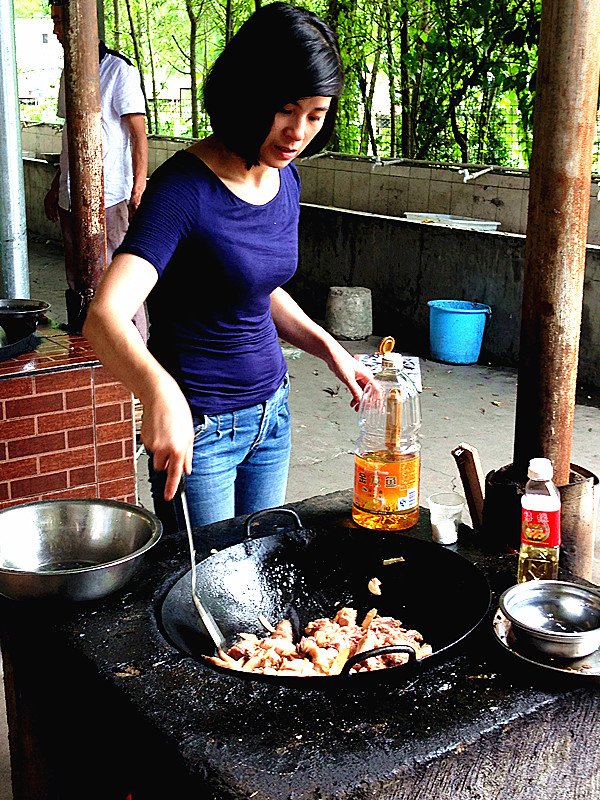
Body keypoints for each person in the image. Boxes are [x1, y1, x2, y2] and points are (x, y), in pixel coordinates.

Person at [83, 2, 373, 533]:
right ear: (248, 94)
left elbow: (256, 288)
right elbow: (104, 317)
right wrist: (158, 391)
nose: (298, 133)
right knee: (203, 596)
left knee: (260, 578)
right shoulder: (182, 190)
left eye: (316, 115)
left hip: (273, 413)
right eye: (286, 109)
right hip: (202, 430)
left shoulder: (284, 179)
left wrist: (329, 348)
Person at [44, 1, 148, 337]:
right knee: (78, 279)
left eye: (62, 22)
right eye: (55, 21)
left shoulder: (120, 70)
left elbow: (138, 133)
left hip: (110, 196)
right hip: (70, 197)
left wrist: (138, 188)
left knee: (117, 279)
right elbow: (70, 137)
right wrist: (57, 185)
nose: (57, 30)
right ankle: (89, 349)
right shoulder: (69, 68)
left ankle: (138, 350)